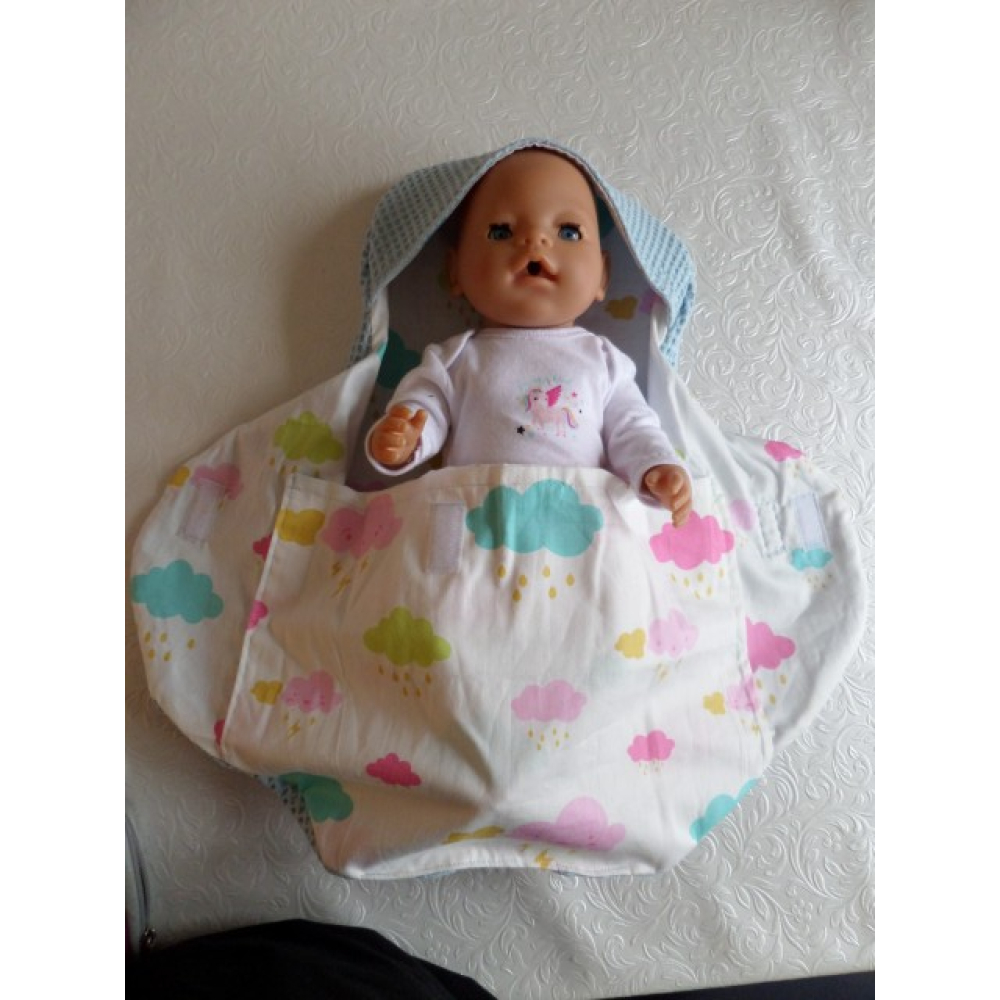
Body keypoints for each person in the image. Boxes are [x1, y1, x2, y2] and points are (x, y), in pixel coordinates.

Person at [366, 148, 692, 525]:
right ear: (455, 270)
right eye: (501, 231)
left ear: (602, 276)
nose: (535, 239)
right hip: (479, 525)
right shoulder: (454, 358)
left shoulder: (605, 361)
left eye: (568, 232)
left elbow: (632, 427)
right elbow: (425, 409)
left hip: (578, 526)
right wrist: (404, 438)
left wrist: (655, 466)